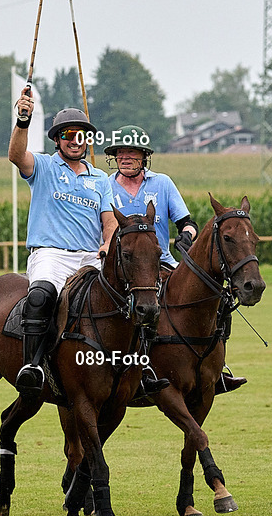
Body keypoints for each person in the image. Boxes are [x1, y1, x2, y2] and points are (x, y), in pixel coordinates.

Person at [9, 91, 170, 397]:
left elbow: (109, 221)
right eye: (69, 134)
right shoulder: (43, 167)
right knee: (41, 296)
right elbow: (16, 155)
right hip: (51, 255)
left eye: (82, 135)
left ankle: (141, 365)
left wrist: (108, 244)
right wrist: (23, 121)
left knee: (135, 296)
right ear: (58, 139)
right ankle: (33, 366)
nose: (76, 140)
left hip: (89, 257)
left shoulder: (99, 179)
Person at [104, 125, 246, 394]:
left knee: (220, 300)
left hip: (163, 263)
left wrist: (186, 236)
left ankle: (216, 368)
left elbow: (186, 222)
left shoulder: (162, 183)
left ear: (144, 156)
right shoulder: (104, 186)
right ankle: (138, 369)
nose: (125, 157)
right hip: (121, 270)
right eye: (121, 152)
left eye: (132, 153)